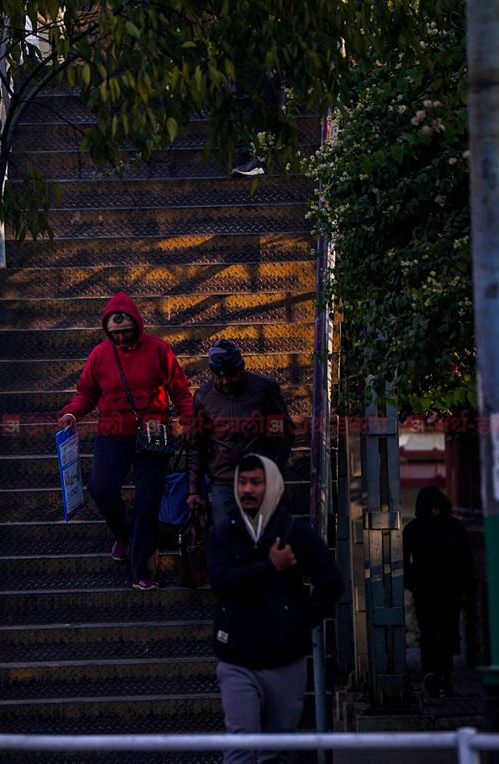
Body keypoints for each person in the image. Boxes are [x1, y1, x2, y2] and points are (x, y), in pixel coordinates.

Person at [207, 453, 342, 762]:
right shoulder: (224, 532)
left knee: (277, 750)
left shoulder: (295, 533)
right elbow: (221, 583)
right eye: (242, 482)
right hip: (236, 659)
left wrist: (299, 621)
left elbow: (331, 582)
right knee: (241, 746)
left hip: (285, 660)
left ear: (272, 486)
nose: (247, 490)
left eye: (256, 482)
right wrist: (270, 566)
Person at [58, 292, 193, 590]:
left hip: (153, 433)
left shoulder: (158, 350)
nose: (120, 337)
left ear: (138, 325)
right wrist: (72, 413)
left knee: (148, 499)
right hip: (113, 433)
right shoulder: (100, 355)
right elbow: (86, 392)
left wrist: (188, 418)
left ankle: (142, 571)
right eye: (114, 333)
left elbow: (181, 390)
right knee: (101, 488)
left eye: (125, 332)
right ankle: (124, 533)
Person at [188, 340, 294, 527]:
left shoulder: (264, 390)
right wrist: (194, 491)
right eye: (219, 376)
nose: (225, 381)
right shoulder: (204, 398)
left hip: (261, 479)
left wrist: (275, 472)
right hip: (223, 483)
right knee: (227, 544)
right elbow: (197, 445)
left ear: (241, 368)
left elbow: (284, 433)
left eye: (231, 375)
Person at [403, 486, 475, 700]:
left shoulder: (414, 530)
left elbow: (465, 559)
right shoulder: (454, 528)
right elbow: (465, 558)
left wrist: (411, 582)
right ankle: (436, 675)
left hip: (438, 591)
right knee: (432, 634)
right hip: (435, 591)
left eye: (436, 509)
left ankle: (438, 675)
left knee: (443, 635)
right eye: (430, 509)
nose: (434, 513)